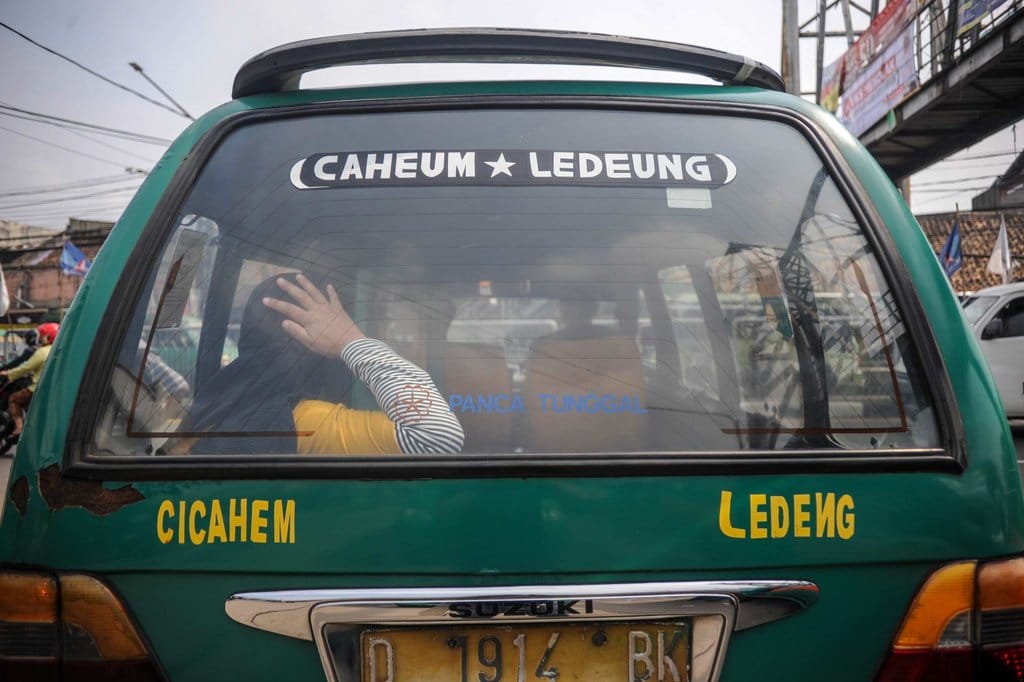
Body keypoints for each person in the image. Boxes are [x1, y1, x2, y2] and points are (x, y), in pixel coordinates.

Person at [184, 273, 464, 455]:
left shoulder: (215, 402)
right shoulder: (305, 422)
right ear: (317, 343)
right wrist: (349, 341)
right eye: (358, 322)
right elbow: (438, 437)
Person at [0, 322, 58, 448]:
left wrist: (8, 374)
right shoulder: (56, 350)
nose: (40, 337)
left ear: (48, 337)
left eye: (43, 335)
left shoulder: (41, 352)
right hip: (50, 389)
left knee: (14, 399)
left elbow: (26, 367)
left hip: (36, 388)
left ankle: (19, 427)